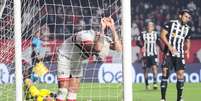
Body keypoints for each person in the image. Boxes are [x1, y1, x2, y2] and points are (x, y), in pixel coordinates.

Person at [56, 17, 122, 101]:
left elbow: (119, 48)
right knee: (63, 90)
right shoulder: (85, 36)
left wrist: (112, 28)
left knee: (73, 90)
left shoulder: (103, 39)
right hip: (65, 56)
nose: (97, 54)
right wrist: (102, 29)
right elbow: (97, 48)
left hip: (77, 60)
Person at [160, 9, 192, 101]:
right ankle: (163, 98)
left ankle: (179, 98)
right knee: (165, 73)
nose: (187, 18)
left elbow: (188, 40)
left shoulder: (187, 28)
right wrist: (170, 46)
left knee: (181, 75)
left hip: (179, 54)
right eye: (186, 16)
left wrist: (188, 49)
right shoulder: (171, 24)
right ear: (180, 16)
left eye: (189, 17)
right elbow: (162, 35)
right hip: (168, 53)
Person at [136, 20, 162, 90]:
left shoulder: (156, 34)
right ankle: (147, 84)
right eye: (148, 25)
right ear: (146, 27)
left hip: (153, 54)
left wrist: (164, 51)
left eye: (150, 26)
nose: (149, 27)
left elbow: (159, 43)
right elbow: (137, 42)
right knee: (145, 70)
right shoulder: (142, 34)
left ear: (153, 27)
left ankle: (155, 83)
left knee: (154, 68)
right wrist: (142, 46)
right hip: (145, 55)